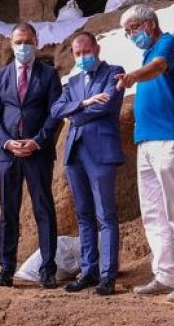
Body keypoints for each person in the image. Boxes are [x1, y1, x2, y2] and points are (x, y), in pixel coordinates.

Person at [115, 4, 174, 303]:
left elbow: (158, 69)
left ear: (151, 24)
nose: (132, 35)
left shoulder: (169, 45)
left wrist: (133, 77)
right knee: (153, 212)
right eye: (128, 32)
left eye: (134, 28)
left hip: (169, 139)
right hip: (146, 141)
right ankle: (165, 274)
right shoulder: (147, 52)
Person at [0, 22, 62, 288]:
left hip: (37, 153)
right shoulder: (0, 76)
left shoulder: (49, 75)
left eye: (28, 41)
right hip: (8, 155)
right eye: (18, 42)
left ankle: (48, 269)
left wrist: (38, 141)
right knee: (8, 211)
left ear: (36, 43)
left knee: (44, 209)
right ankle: (6, 268)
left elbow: (55, 113)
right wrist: (7, 142)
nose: (23, 47)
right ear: (11, 44)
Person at [50, 31, 124, 296]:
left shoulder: (115, 72)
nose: (82, 57)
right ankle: (88, 270)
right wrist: (83, 102)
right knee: (83, 216)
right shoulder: (72, 81)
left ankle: (107, 275)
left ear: (97, 48)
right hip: (75, 154)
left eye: (86, 52)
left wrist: (76, 113)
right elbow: (56, 110)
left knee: (105, 214)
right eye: (77, 53)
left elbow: (105, 107)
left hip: (101, 151)